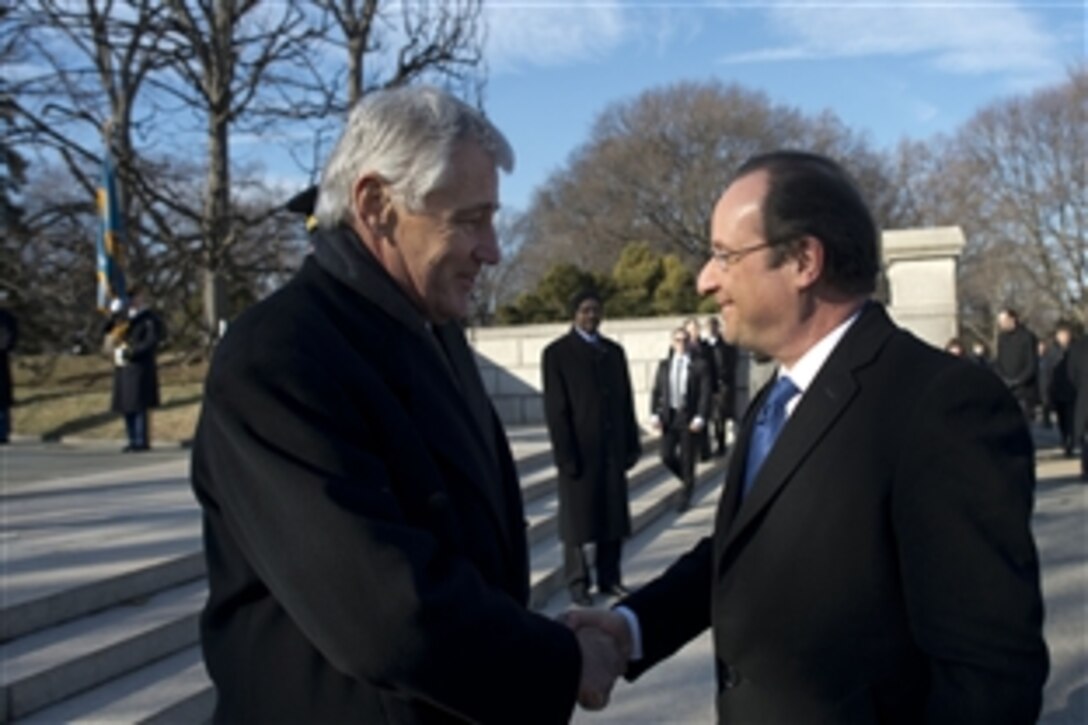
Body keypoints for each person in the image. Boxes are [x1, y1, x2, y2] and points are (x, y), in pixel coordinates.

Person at [190, 86, 622, 723]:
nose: (493, 249)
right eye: (470, 219)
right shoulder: (276, 357)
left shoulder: (432, 328)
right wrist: (561, 659)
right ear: (376, 205)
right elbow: (382, 614)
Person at [568, 150, 1048, 721]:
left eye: (725, 255)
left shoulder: (941, 405)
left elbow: (989, 678)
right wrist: (631, 628)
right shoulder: (776, 395)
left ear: (803, 260)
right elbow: (743, 549)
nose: (705, 280)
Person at [542, 289, 642, 607]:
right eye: (585, 310)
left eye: (596, 310)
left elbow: (626, 401)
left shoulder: (613, 352)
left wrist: (631, 443)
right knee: (576, 523)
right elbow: (556, 409)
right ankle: (578, 581)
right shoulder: (557, 353)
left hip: (611, 450)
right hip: (579, 451)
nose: (591, 316)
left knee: (611, 518)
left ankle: (610, 578)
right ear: (574, 314)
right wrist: (565, 454)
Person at [650, 327, 711, 512]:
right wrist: (654, 413)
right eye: (677, 340)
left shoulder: (700, 365)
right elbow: (657, 391)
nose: (681, 344)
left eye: (685, 340)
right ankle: (687, 480)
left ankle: (685, 496)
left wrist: (701, 416)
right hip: (670, 417)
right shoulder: (664, 365)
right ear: (672, 343)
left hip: (689, 417)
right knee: (666, 455)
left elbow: (705, 394)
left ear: (690, 342)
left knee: (687, 457)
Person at [104, 288, 164, 452]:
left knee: (139, 405)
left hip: (140, 367)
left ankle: (140, 439)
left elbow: (151, 341)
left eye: (135, 297)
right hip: (123, 367)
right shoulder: (123, 318)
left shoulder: (148, 319)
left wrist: (132, 351)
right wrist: (113, 315)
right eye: (129, 297)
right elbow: (108, 331)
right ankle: (131, 438)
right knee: (126, 405)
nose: (132, 301)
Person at [994, 307, 1039, 421]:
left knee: (1023, 421)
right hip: (1006, 386)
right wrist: (1002, 377)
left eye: (1004, 321)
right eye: (1000, 322)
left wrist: (1018, 381)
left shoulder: (1027, 337)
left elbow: (1032, 364)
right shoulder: (1002, 338)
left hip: (1024, 389)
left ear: (1013, 319)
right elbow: (998, 360)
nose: (1002, 325)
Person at [703, 315, 738, 456]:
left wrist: (724, 381)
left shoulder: (726, 345)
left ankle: (721, 445)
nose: (711, 329)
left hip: (721, 385)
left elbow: (731, 364)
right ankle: (706, 448)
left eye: (714, 326)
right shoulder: (703, 346)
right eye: (709, 327)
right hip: (706, 385)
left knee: (719, 417)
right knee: (707, 417)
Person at [1049, 322, 1078, 457]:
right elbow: (1049, 372)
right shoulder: (1054, 352)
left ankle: (1070, 443)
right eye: (1060, 335)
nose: (1063, 338)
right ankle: (1064, 438)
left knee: (1071, 418)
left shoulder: (1075, 350)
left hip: (1072, 391)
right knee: (1061, 420)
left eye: (1065, 335)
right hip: (1058, 390)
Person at [1067, 332, 1088, 481]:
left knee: (1086, 436)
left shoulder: (1077, 347)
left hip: (1084, 395)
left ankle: (1086, 468)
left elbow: (1071, 375)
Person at [0, 306, 16, 444]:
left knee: (2, 400)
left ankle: (3, 432)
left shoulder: (5, 317)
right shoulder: (6, 316)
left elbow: (10, 337)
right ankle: (3, 432)